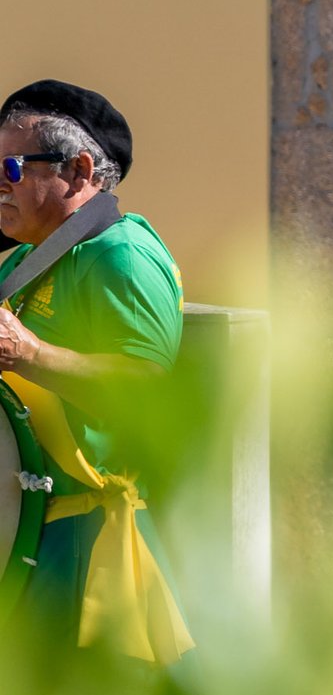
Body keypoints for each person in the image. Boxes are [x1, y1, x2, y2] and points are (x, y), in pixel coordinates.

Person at [0, 80, 192, 664]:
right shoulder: (21, 261)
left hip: (84, 545)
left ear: (79, 171)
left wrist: (29, 354)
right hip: (28, 535)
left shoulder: (121, 251)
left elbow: (148, 391)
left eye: (10, 165)